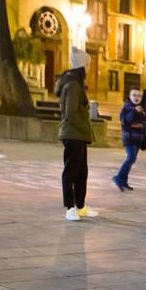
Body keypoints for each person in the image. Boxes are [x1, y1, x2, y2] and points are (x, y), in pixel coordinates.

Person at [57, 47, 94, 223]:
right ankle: (70, 207)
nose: (89, 69)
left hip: (78, 134)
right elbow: (70, 114)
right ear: (81, 66)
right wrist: (84, 128)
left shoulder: (75, 83)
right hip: (73, 134)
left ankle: (80, 206)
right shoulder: (72, 85)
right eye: (87, 65)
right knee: (71, 171)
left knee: (82, 172)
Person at [112, 88, 146, 192]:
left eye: (139, 95)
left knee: (132, 159)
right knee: (130, 158)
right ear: (129, 96)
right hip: (129, 137)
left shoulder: (140, 108)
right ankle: (118, 178)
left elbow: (144, 123)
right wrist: (134, 112)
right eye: (134, 95)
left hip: (137, 139)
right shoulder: (127, 107)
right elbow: (125, 121)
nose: (137, 98)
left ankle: (123, 181)